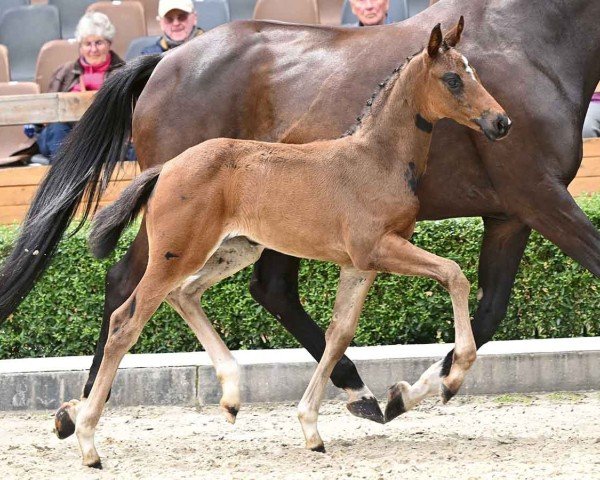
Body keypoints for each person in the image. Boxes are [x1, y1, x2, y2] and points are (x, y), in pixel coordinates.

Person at [22, 12, 123, 163]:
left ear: (109, 43)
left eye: (99, 43)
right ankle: (64, 182)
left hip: (104, 133)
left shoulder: (122, 72)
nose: (93, 50)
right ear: (80, 47)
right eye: (87, 44)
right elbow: (47, 111)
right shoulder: (64, 72)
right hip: (66, 135)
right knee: (57, 130)